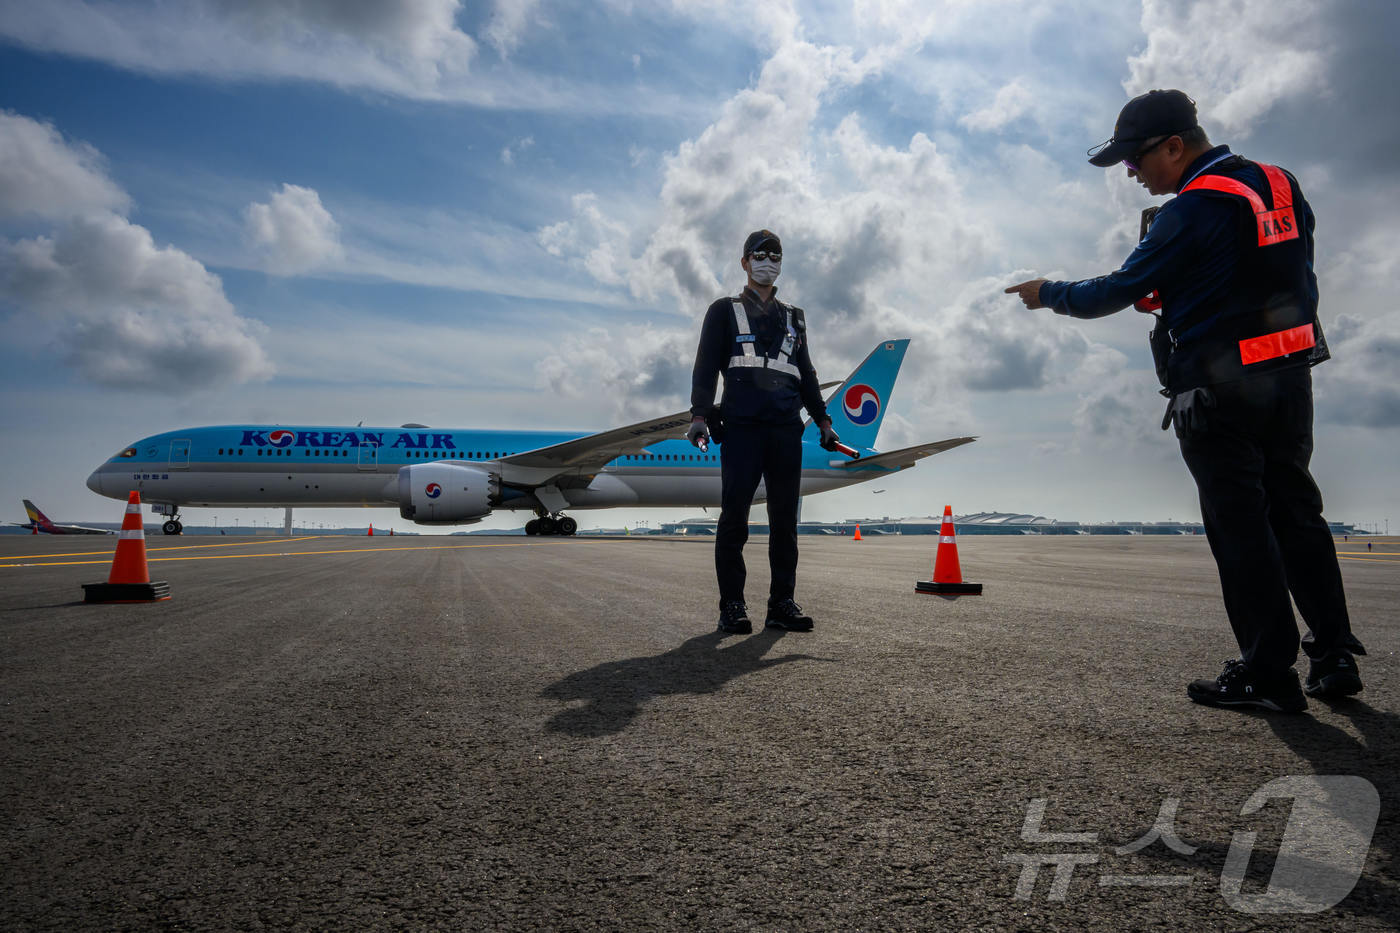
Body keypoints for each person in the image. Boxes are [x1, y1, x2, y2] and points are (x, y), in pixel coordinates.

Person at [1004, 89, 1364, 713]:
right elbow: (1275, 269)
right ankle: (1332, 655)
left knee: (1241, 530)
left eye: (1135, 160)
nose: (1131, 174)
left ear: (1176, 145)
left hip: (1217, 395)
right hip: (1288, 380)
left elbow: (1115, 289)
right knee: (1298, 515)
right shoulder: (1280, 184)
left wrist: (1049, 292)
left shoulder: (1192, 207)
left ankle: (1267, 672)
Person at [689, 229, 840, 635]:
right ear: (744, 262)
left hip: (786, 429)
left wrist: (823, 421)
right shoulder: (723, 310)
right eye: (759, 255)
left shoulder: (794, 316)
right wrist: (699, 415)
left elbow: (806, 373)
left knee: (784, 521)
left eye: (775, 255)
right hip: (741, 427)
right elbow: (705, 366)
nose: (768, 261)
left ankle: (781, 604)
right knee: (734, 519)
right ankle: (733, 607)